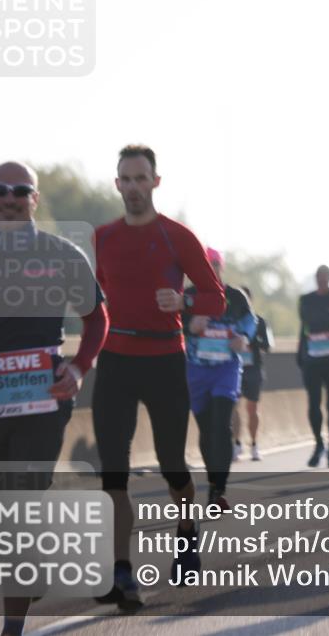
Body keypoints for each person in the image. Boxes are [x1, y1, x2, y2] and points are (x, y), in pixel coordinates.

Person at [0, 162, 108, 636]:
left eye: (20, 191)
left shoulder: (61, 254)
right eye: (0, 190)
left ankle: (12, 626)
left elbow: (97, 319)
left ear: (34, 199)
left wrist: (78, 368)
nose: (9, 198)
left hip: (44, 396)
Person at [92, 145, 226, 606]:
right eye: (126, 180)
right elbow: (92, 298)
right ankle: (121, 571)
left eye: (141, 178)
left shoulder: (177, 236)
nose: (133, 187)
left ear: (155, 182)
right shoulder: (101, 238)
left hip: (165, 359)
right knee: (113, 472)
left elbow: (216, 298)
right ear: (117, 185)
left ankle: (186, 531)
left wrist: (184, 301)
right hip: (115, 360)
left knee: (172, 464)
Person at [182, 247, 256, 508]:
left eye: (213, 264)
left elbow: (250, 322)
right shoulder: (187, 297)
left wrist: (243, 337)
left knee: (221, 425)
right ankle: (213, 482)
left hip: (226, 368)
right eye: (203, 264)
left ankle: (218, 491)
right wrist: (189, 327)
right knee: (206, 429)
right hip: (196, 370)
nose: (208, 269)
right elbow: (170, 323)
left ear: (220, 267)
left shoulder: (235, 296)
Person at [297, 265, 329, 468]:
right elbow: (304, 327)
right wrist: (300, 354)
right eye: (319, 277)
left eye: (324, 277)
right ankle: (318, 444)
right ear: (316, 279)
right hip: (312, 360)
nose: (321, 280)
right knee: (313, 405)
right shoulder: (306, 300)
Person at [233, 285, 271, 461]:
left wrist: (251, 342)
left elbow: (267, 346)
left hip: (253, 369)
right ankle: (236, 444)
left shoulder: (259, 321)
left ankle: (254, 445)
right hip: (235, 368)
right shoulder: (231, 320)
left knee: (252, 408)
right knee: (233, 407)